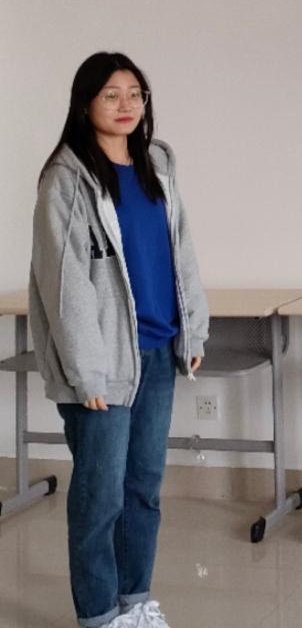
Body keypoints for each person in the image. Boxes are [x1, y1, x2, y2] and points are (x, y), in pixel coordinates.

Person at [28, 52, 209, 628]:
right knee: (99, 497)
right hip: (102, 365)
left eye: (135, 93)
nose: (126, 104)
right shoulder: (67, 179)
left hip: (157, 350)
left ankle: (135, 604)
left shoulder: (157, 164)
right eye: (111, 94)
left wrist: (194, 326)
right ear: (85, 104)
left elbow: (180, 250)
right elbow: (65, 283)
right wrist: (86, 370)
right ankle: (100, 616)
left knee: (143, 490)